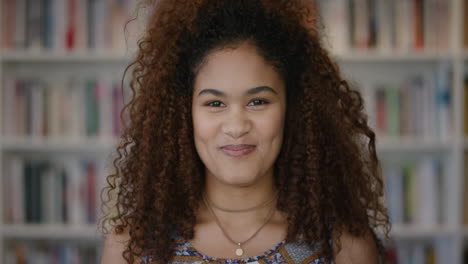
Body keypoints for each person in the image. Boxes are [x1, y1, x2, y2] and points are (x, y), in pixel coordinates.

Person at [100, 0, 390, 263]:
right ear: (183, 114)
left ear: (294, 111)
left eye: (258, 101)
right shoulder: (131, 247)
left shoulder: (343, 247)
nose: (237, 126)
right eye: (214, 103)